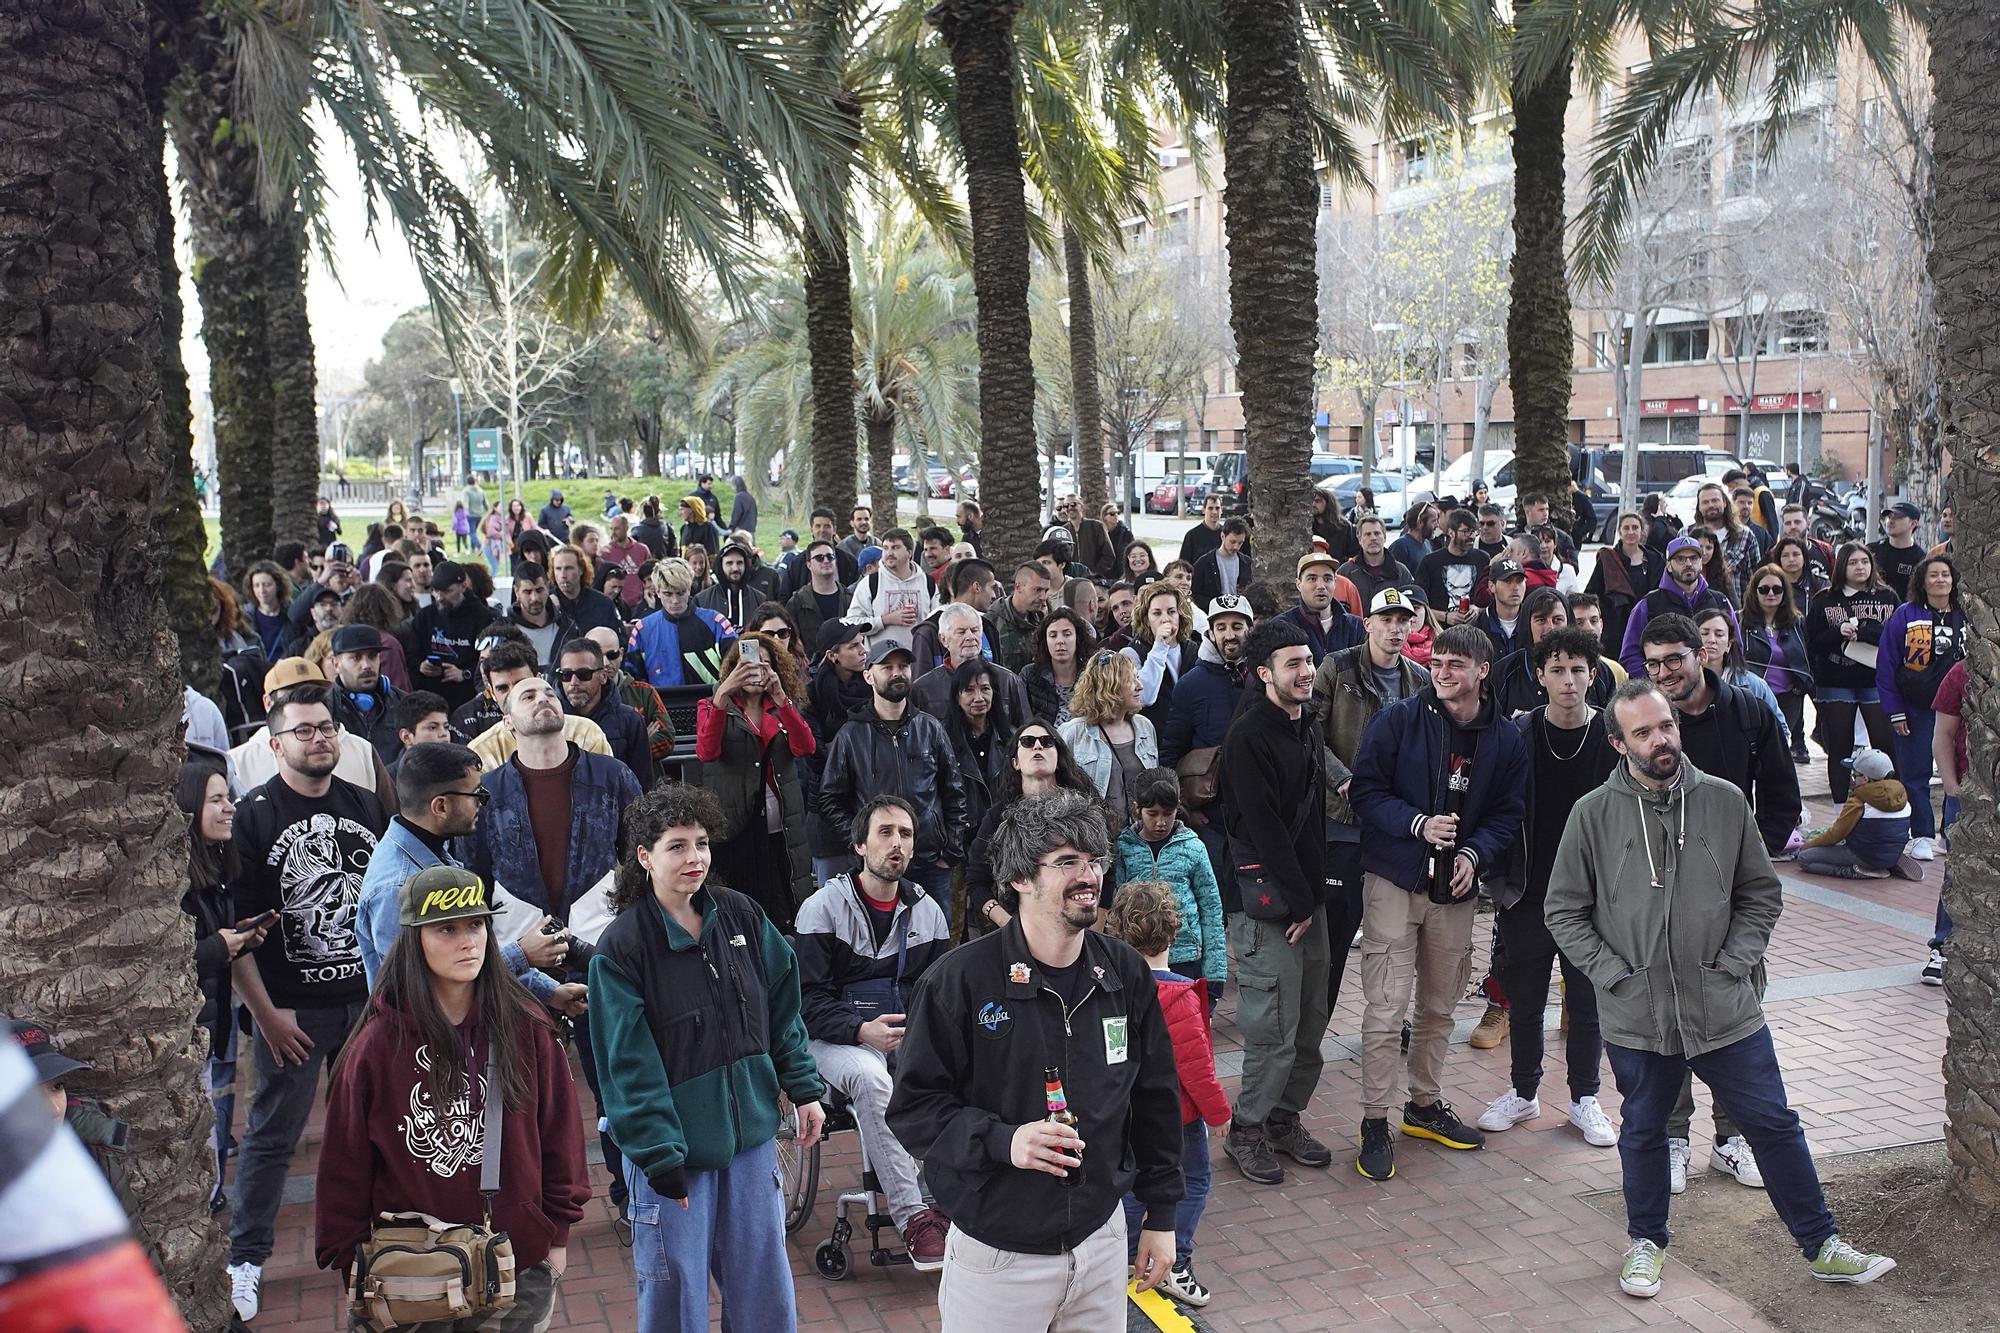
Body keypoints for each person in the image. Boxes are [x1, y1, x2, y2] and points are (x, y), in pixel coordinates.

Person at [1545, 680, 1896, 1300]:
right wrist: (1612, 974)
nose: (1662, 741)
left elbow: (1761, 893)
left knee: (1774, 1124)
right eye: (1644, 732)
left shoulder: (1725, 801)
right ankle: (1646, 1244)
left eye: (1667, 726)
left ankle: (1823, 1246)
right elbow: (1564, 911)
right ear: (1617, 743)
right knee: (1646, 1129)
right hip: (1638, 1015)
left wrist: (1735, 963)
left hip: (1726, 1007)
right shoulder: (1591, 815)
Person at [886, 789, 1183, 1324]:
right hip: (999, 1258)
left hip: (1102, 1241)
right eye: (1067, 862)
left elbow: (1155, 1097)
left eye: (1094, 860)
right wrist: (1004, 1140)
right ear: (1021, 878)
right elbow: (914, 1111)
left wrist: (1161, 1215)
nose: (1088, 876)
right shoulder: (959, 982)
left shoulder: (1124, 973)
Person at [589, 784, 825, 1331]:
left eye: (701, 843)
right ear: (644, 857)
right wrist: (659, 1153)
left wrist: (805, 1088)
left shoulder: (741, 915)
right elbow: (626, 1064)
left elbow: (783, 1010)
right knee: (677, 1298)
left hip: (751, 1144)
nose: (695, 858)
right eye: (677, 846)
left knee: (764, 1288)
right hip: (675, 1158)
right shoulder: (623, 948)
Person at [314, 865, 588, 1332]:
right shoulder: (375, 1048)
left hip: (516, 1264)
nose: (468, 941)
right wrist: (353, 1267)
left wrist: (554, 1242)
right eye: (446, 929)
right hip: (409, 1274)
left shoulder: (526, 1026)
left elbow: (560, 1136)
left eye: (476, 924)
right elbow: (344, 1167)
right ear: (413, 940)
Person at [224, 689, 390, 1322]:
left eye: (326, 729)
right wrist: (266, 1013)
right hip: (291, 1010)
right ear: (275, 745)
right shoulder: (253, 817)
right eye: (303, 731)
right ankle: (245, 1259)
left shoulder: (367, 805)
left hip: (363, 1001)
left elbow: (385, 902)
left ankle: (383, 1241)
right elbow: (236, 929)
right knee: (271, 1135)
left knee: (378, 1128)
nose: (319, 739)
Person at [459, 673, 642, 1226]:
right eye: (526, 694)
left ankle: (631, 1195)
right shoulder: (487, 791)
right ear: (506, 718)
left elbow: (641, 861)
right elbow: (473, 880)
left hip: (599, 954)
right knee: (512, 1090)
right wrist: (508, 957)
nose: (543, 697)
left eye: (547, 690)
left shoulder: (611, 777)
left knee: (616, 1082)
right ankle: (517, 1207)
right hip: (519, 959)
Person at [1349, 624, 1527, 1181]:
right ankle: (1374, 1120)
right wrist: (1417, 824)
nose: (1442, 672)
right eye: (1438, 662)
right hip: (1394, 882)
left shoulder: (1503, 737)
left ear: (1482, 671)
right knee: (1385, 1008)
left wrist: (1476, 854)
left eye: (1455, 664)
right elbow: (1364, 790)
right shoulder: (1400, 719)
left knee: (1440, 1007)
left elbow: (1508, 813)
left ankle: (1423, 1105)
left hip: (1455, 892)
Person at [792, 797, 956, 1270]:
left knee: (959, 1072)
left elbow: (941, 999)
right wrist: (861, 1029)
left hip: (905, 1039)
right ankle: (912, 1220)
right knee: (872, 1079)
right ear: (860, 844)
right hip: (833, 1041)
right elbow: (804, 1002)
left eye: (905, 834)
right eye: (885, 833)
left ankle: (948, 1200)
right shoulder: (822, 908)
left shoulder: (929, 913)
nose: (897, 843)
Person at [1473, 629, 1621, 1148]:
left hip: (1593, 897)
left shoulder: (1612, 735)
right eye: (1557, 670)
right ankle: (1523, 1091)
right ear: (1540, 676)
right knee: (1526, 997)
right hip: (1529, 890)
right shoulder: (1519, 733)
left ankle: (1584, 1099)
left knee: (1586, 1000)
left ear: (1593, 675)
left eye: (1578, 669)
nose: (1568, 680)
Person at [1217, 618, 1333, 1186]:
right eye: (1293, 663)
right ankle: (1247, 1129)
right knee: (1273, 1027)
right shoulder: (1248, 737)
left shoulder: (1304, 723)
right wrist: (1299, 902)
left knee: (1311, 1020)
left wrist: (1314, 899)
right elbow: (1264, 830)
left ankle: (1285, 1119)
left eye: (1308, 660)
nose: (1306, 671)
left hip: (1307, 902)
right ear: (1264, 673)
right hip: (1269, 908)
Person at [1105, 880, 1228, 1308]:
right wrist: (1219, 1113)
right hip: (1179, 1119)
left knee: (1131, 1188)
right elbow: (1196, 1068)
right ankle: (1174, 1262)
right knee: (1191, 1183)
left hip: (1123, 1113)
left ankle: (1127, 1256)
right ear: (1175, 932)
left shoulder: (1110, 988)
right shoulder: (1179, 994)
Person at [178, 750, 272, 1211]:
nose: (230, 807)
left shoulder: (215, 869)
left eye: (228, 797)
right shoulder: (174, 880)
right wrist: (221, 946)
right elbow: (170, 960)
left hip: (211, 1025)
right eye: (216, 800)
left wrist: (242, 940)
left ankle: (213, 1195)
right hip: (186, 1033)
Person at [817, 639, 967, 915]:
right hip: (876, 866)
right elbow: (829, 798)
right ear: (868, 675)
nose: (897, 673)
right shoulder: (850, 736)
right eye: (887, 667)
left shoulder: (930, 728)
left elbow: (954, 791)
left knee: (937, 945)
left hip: (930, 862)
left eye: (903, 666)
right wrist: (859, 840)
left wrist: (951, 850)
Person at [694, 631, 816, 929]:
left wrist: (780, 696)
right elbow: (707, 752)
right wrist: (723, 694)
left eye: (764, 664)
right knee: (740, 907)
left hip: (781, 821)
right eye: (747, 663)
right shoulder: (713, 704)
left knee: (785, 903)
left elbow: (805, 747)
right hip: (737, 825)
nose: (755, 670)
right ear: (734, 667)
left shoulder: (782, 704)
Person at [964, 718, 1096, 935]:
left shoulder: (1083, 810)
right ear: (1015, 761)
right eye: (1027, 742)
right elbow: (976, 880)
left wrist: (1093, 932)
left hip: (1074, 927)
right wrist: (1009, 925)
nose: (1037, 746)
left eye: (1046, 741)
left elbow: (1104, 870)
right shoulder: (999, 816)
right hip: (1015, 928)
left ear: (1058, 757)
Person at [1877, 553, 1965, 860]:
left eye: (1945, 574)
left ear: (1954, 580)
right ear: (1922, 581)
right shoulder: (1905, 614)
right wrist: (1894, 710)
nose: (1940, 580)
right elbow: (1887, 665)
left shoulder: (1967, 614)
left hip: (1961, 713)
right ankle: (1922, 834)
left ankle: (1950, 833)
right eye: (1933, 575)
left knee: (1957, 774)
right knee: (1915, 774)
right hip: (1915, 709)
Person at [1114, 770, 1226, 1002]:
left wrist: (1215, 973)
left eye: (1168, 813)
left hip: (1186, 957)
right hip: (1138, 955)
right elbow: (1116, 910)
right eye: (1152, 814)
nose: (1161, 822)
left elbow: (1211, 909)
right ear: (1137, 810)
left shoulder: (1193, 847)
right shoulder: (1124, 848)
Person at [1805, 543, 1900, 803]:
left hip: (1876, 681)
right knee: (1839, 748)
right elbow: (1812, 642)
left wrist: (1864, 632)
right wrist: (1839, 632)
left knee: (1885, 746)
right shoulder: (1824, 599)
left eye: (1865, 562)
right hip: (1835, 681)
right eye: (1853, 562)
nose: (1860, 567)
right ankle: (1839, 809)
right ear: (1841, 566)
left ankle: (1893, 804)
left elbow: (1898, 637)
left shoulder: (1887, 597)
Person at [1060, 649, 1160, 843]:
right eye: (1131, 680)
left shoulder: (1145, 727)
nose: (1140, 686)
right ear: (1110, 687)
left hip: (1141, 842)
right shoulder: (1073, 732)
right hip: (1094, 842)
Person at [1618, 536, 1739, 676]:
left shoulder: (1720, 601)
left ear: (1701, 563)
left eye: (1693, 558)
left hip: (1715, 688)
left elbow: (1737, 647)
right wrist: (1655, 685)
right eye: (1680, 559)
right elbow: (1630, 655)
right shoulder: (1649, 605)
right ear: (1668, 565)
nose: (1688, 563)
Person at [1797, 748, 1922, 881]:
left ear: (1865, 779)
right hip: (1892, 851)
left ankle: (1854, 871)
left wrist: (1809, 845)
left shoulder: (1858, 801)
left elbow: (1835, 835)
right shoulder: (1902, 798)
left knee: (1805, 859)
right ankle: (1890, 862)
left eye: (1854, 775)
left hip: (1862, 854)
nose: (1852, 779)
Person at [914, 602, 1031, 728]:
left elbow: (1027, 730)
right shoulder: (924, 689)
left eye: (974, 630)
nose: (970, 637)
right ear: (944, 640)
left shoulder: (1008, 681)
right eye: (961, 632)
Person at [626, 558, 736, 689]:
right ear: (658, 591)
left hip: (711, 703)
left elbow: (735, 669)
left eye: (680, 593)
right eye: (668, 593)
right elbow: (634, 683)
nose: (675, 601)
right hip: (660, 706)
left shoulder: (716, 622)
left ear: (689, 589)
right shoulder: (642, 630)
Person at [558, 638, 654, 787]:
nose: (573, 682)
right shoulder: (551, 722)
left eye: (584, 674)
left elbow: (643, 783)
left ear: (603, 676)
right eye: (566, 674)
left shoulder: (631, 720)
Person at [1740, 563, 1812, 762]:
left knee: (1777, 750)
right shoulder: (1741, 622)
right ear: (1755, 592)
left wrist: (1801, 685)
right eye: (1764, 589)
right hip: (1754, 697)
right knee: (1753, 750)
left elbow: (1807, 656)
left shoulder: (1796, 623)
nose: (1770, 593)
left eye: (1777, 589)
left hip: (1789, 697)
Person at [408, 560, 496, 715]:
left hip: (468, 699)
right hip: (431, 698)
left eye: (447, 591)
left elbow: (491, 661)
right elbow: (410, 653)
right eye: (435, 591)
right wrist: (421, 665)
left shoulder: (483, 618)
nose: (440, 597)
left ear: (463, 586)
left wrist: (464, 674)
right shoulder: (425, 616)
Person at [1692, 607, 1790, 744]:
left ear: (1729, 645)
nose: (1711, 640)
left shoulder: (1753, 685)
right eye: (1704, 633)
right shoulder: (1681, 683)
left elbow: (1781, 730)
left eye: (1719, 634)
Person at [1124, 580, 1203, 729]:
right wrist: (1160, 646)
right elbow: (1144, 697)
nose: (1165, 619)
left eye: (1171, 612)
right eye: (1157, 613)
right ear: (1147, 619)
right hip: (1154, 739)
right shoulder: (1131, 653)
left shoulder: (1195, 650)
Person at [848, 527, 939, 652]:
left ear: (909, 552)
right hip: (882, 663)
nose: (889, 553)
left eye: (895, 547)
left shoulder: (928, 583)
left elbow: (938, 623)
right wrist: (885, 620)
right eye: (885, 548)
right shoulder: (870, 584)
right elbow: (852, 624)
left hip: (920, 662)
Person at [1279, 552, 1366, 659]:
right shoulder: (1283, 627)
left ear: (1335, 583)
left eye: (1327, 579)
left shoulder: (1356, 627)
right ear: (1298, 584)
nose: (1321, 586)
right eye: (1312, 579)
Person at [1416, 509, 1490, 630]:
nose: (1471, 536)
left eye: (1474, 532)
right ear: (1451, 533)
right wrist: (1445, 617)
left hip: (1476, 631)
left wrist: (1477, 609)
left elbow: (1491, 598)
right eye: (1465, 532)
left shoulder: (1482, 558)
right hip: (1440, 631)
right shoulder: (1430, 562)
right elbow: (1418, 604)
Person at [1021, 606, 1093, 725]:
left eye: (1067, 634)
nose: (1060, 641)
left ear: (1077, 638)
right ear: (1045, 641)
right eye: (1053, 635)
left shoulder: (1092, 673)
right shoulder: (1030, 675)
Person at [1337, 514, 1412, 611]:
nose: (1373, 538)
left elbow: (1409, 608)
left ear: (1384, 537)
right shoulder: (1345, 573)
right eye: (1367, 534)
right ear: (1359, 540)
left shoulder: (1401, 572)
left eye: (1377, 533)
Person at [1869, 499, 1925, 600]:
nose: (1890, 521)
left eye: (1898, 517)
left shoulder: (1920, 558)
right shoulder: (1872, 551)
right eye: (1889, 516)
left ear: (1913, 524)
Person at [1190, 518, 1253, 607]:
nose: (1236, 547)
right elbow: (1194, 592)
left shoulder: (1246, 563)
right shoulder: (1204, 562)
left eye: (1240, 543)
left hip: (1240, 612)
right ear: (1223, 536)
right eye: (1232, 542)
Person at [1390, 503, 1442, 572]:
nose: (1437, 525)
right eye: (1433, 521)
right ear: (1420, 522)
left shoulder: (1428, 543)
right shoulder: (1400, 546)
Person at [1179, 493, 1226, 566]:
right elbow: (1183, 564)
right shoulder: (1192, 535)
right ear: (1203, 510)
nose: (1214, 512)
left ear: (1221, 510)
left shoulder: (1226, 534)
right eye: (1210, 508)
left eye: (1217, 508)